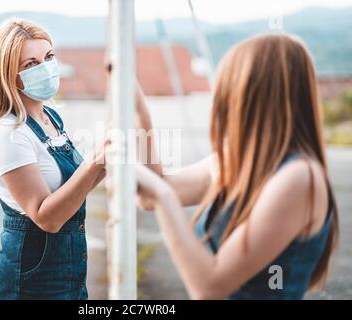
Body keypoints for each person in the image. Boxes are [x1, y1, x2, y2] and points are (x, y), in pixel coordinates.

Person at [135, 34, 339, 299]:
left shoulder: (298, 178)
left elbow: (209, 286)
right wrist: (140, 112)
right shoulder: (235, 161)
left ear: (250, 95)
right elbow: (148, 196)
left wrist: (164, 197)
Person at [0, 18, 107, 300]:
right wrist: (95, 162)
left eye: (48, 57)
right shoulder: (8, 134)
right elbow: (47, 218)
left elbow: (71, 189)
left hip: (71, 275)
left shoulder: (51, 118)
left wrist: (109, 161)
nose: (45, 68)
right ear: (10, 75)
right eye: (31, 64)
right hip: (31, 282)